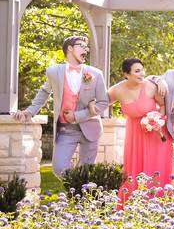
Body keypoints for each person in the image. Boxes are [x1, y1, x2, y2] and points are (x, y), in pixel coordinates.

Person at [15, 35, 108, 176]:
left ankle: (78, 195)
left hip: (90, 128)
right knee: (59, 168)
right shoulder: (54, 71)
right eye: (82, 46)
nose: (86, 50)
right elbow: (44, 92)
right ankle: (75, 186)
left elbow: (103, 103)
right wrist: (29, 112)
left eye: (86, 47)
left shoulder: (96, 73)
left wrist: (77, 116)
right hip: (66, 129)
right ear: (70, 48)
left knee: (87, 171)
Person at [101, 58, 174, 200]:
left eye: (142, 70)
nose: (142, 73)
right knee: (134, 169)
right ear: (126, 74)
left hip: (156, 135)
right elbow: (101, 103)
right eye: (137, 71)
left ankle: (159, 203)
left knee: (156, 169)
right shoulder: (117, 90)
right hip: (134, 136)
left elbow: (163, 105)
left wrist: (160, 119)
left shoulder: (150, 86)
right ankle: (135, 202)